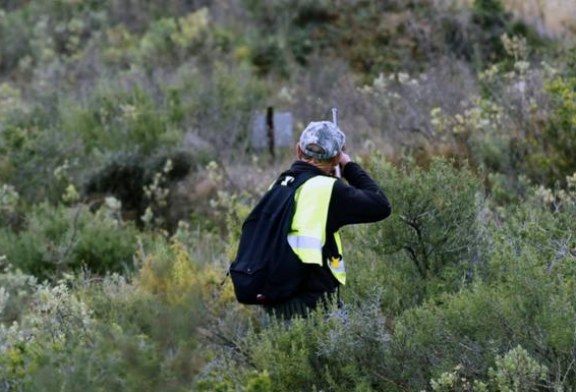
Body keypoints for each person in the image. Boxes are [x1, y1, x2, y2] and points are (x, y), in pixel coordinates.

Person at [263, 120, 392, 320]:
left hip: (276, 306)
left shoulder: (279, 184)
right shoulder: (329, 190)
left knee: (285, 350)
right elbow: (380, 205)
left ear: (298, 151)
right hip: (316, 309)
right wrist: (348, 165)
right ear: (335, 158)